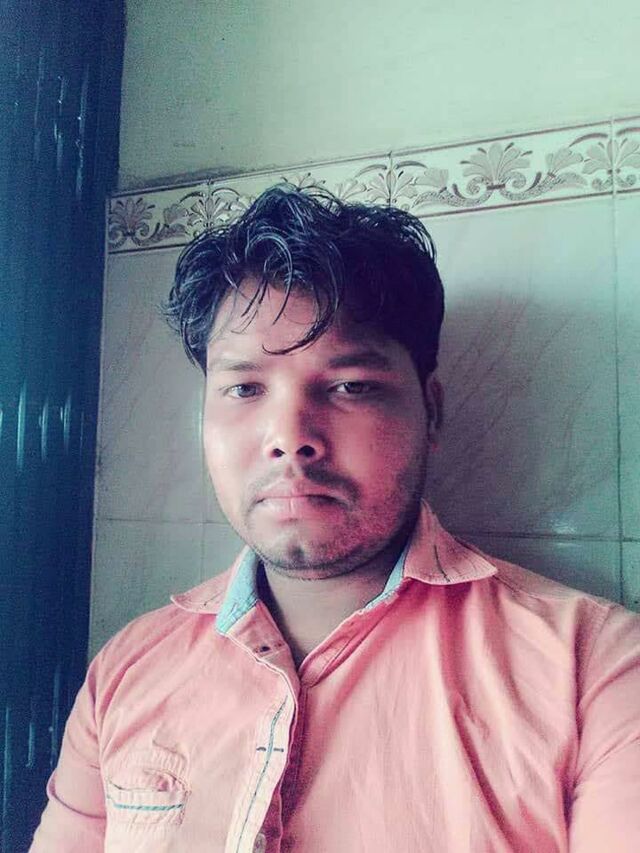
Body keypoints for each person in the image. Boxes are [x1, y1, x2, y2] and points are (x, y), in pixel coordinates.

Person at [31, 186, 640, 852]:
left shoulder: (597, 672)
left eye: (350, 386)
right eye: (244, 387)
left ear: (432, 412)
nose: (289, 437)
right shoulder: (124, 671)